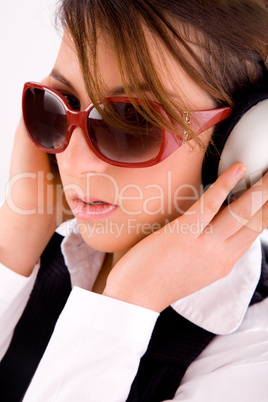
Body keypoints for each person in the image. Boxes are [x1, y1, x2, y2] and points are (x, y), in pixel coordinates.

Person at [0, 0, 268, 400]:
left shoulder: (253, 360)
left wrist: (129, 303)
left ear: (245, 141)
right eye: (58, 105)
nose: (73, 159)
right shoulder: (33, 258)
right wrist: (10, 248)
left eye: (132, 120)